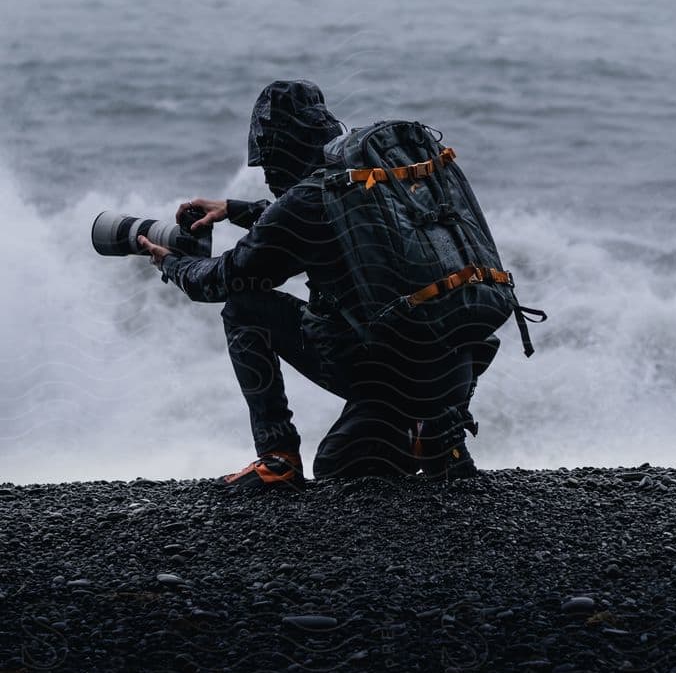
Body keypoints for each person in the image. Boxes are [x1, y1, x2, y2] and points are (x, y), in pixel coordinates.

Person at [136, 80, 498, 489]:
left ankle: (278, 458)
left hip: (390, 373)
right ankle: (430, 427)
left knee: (245, 309)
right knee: (343, 464)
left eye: (269, 163)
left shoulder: (305, 204)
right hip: (457, 364)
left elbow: (220, 281)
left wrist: (172, 263)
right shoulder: (370, 181)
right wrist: (236, 210)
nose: (269, 175)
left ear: (282, 150)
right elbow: (313, 222)